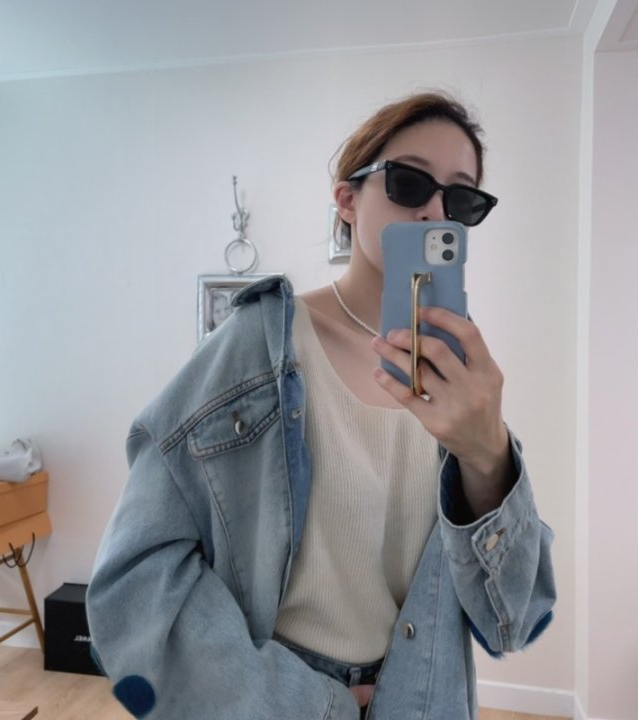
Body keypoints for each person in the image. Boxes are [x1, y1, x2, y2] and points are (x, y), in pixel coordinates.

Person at [86, 91, 556, 720]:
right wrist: (303, 703)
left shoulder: (460, 374)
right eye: (410, 182)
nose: (435, 212)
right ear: (347, 200)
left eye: (462, 198)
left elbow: (515, 620)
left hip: (427, 697)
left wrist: (489, 453)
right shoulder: (258, 346)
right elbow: (134, 583)